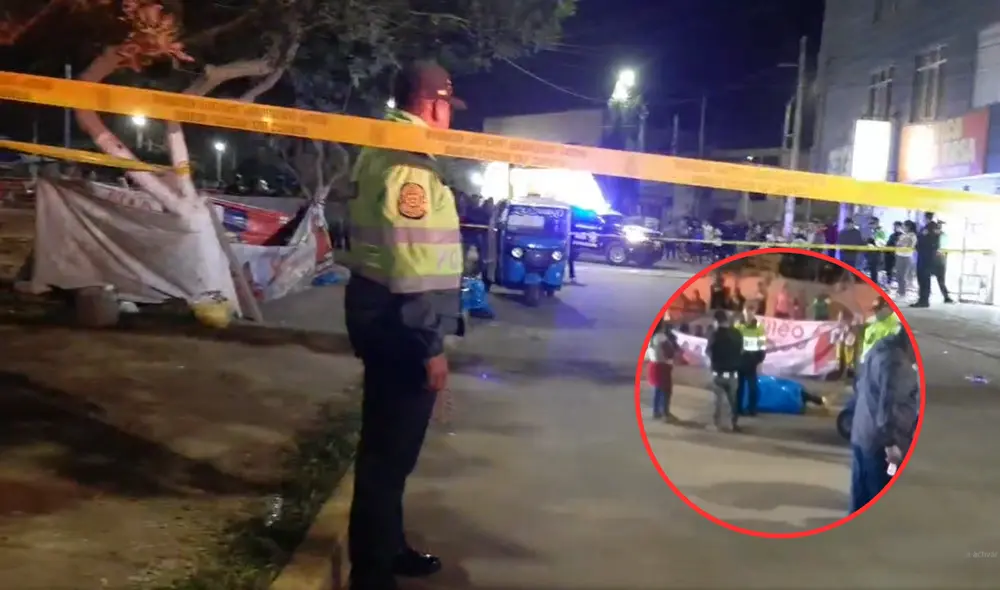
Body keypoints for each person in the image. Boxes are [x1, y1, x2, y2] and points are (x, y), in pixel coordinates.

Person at [344, 60, 466, 590]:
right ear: (430, 103)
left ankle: (387, 549)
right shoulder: (409, 160)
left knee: (386, 454)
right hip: (400, 325)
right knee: (387, 459)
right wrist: (429, 345)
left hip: (383, 317)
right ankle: (371, 575)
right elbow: (412, 260)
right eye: (447, 107)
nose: (450, 119)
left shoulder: (383, 145)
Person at [849, 329, 919, 513]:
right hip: (881, 445)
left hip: (862, 433)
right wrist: (891, 443)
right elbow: (890, 404)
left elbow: (858, 385)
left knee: (860, 500)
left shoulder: (879, 347)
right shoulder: (898, 363)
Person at [706, 309, 744, 431]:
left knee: (718, 401)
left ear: (716, 321)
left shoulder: (715, 335)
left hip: (719, 373)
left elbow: (709, 352)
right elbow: (741, 351)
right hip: (733, 374)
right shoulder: (737, 333)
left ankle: (718, 424)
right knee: (733, 400)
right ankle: (733, 423)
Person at [912, 212, 952, 307]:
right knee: (928, 280)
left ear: (925, 217)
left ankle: (923, 300)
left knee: (924, 280)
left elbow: (923, 242)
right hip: (932, 257)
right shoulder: (935, 229)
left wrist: (919, 247)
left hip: (926, 257)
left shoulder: (928, 228)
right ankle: (924, 299)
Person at [734, 306, 767, 416]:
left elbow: (762, 346)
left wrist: (757, 360)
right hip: (739, 361)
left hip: (751, 362)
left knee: (753, 388)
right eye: (746, 312)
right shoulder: (738, 326)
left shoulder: (759, 327)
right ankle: (738, 409)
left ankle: (752, 409)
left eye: (750, 312)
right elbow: (733, 343)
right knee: (739, 388)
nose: (748, 315)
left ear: (753, 314)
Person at [648, 319, 679, 421]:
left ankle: (656, 411)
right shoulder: (661, 337)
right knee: (666, 390)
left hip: (653, 365)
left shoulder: (650, 336)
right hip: (662, 366)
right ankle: (665, 413)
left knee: (657, 390)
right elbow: (670, 351)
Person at [895, 221, 918, 298]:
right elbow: (898, 244)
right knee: (898, 275)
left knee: (903, 275)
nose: (902, 227)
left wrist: (901, 244)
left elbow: (907, 244)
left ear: (908, 227)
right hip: (899, 255)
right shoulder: (903, 235)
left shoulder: (912, 235)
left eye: (904, 226)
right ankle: (900, 290)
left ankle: (902, 293)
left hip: (906, 257)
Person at [866, 217, 887, 285]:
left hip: (877, 253)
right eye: (869, 223)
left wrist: (873, 241)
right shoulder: (873, 231)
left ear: (877, 223)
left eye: (872, 223)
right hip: (871, 253)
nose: (870, 225)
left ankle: (875, 284)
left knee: (875, 270)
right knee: (872, 269)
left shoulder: (880, 231)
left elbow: (881, 243)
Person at [884, 221, 902, 286]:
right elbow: (888, 244)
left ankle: (900, 285)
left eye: (896, 226)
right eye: (894, 226)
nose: (894, 227)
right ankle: (889, 282)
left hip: (897, 255)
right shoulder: (892, 235)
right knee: (889, 270)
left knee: (897, 271)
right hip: (889, 255)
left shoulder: (902, 236)